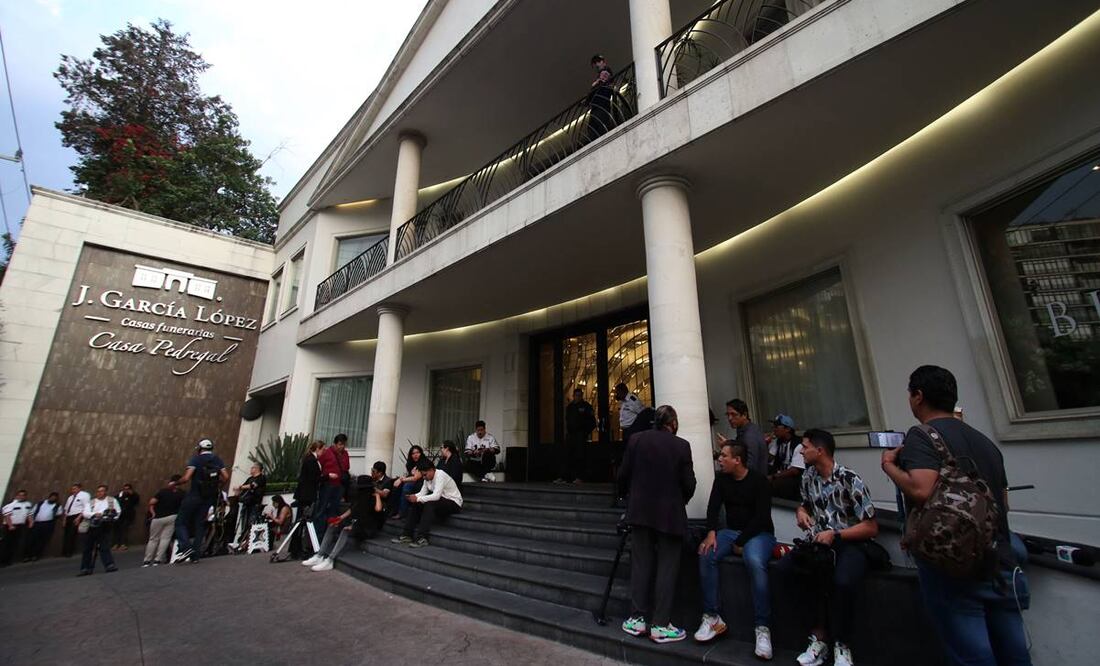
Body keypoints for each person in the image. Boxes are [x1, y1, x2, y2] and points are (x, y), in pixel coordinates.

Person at [882, 365, 1030, 666]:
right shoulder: (985, 442)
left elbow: (921, 488)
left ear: (918, 396)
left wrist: (889, 466)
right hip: (999, 558)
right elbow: (1003, 503)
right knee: (1014, 655)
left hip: (954, 563)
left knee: (971, 656)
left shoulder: (922, 436)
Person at [774, 428, 878, 666]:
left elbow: (871, 527)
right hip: (819, 544)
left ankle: (842, 643)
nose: (801, 451)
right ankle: (818, 637)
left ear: (820, 450)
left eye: (805, 447)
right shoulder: (808, 477)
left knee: (843, 581)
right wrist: (801, 512)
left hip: (849, 542)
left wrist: (837, 534)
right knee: (786, 571)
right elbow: (805, 504)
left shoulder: (849, 479)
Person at [618, 405, 696, 644]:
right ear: (673, 423)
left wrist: (627, 497)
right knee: (667, 567)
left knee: (641, 564)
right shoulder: (681, 446)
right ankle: (660, 624)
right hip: (669, 515)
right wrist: (679, 500)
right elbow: (689, 484)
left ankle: (637, 618)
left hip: (640, 513)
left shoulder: (636, 440)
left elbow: (623, 474)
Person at [695, 442, 777, 659]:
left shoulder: (759, 481)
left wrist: (741, 541)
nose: (719, 459)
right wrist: (711, 532)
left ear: (737, 460)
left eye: (724, 456)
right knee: (706, 553)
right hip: (731, 532)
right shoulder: (722, 480)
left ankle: (762, 627)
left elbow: (762, 517)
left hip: (759, 533)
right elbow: (713, 507)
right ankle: (712, 616)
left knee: (754, 560)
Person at [306, 474, 389, 571]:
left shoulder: (373, 498)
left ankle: (331, 560)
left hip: (368, 528)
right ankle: (319, 555)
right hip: (359, 523)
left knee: (345, 530)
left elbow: (378, 509)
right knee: (332, 525)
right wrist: (340, 518)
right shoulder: (359, 497)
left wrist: (377, 495)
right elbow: (351, 509)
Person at [173, 438, 229, 563]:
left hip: (194, 494)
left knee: (180, 522)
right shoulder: (217, 460)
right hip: (208, 497)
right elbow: (226, 476)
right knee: (200, 525)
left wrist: (175, 483)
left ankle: (186, 547)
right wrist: (217, 486)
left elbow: (186, 478)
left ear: (199, 448)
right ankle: (195, 556)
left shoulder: (196, 459)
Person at [393, 460, 463, 548]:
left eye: (425, 474)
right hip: (441, 501)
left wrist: (418, 498)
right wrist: (413, 496)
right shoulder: (427, 478)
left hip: (454, 503)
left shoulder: (440, 475)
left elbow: (436, 496)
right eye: (422, 475)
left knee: (429, 504)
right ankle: (407, 535)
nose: (424, 477)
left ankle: (422, 538)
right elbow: (422, 493)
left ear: (431, 470)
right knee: (417, 504)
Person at [717, 399, 768, 477]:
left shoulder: (750, 436)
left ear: (744, 415)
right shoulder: (747, 429)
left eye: (734, 414)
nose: (730, 418)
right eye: (728, 415)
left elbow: (749, 466)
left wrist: (728, 447)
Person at [78, 485, 120, 576]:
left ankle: (109, 565)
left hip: (104, 525)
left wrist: (109, 517)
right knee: (87, 548)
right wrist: (95, 514)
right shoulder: (91, 502)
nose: (100, 493)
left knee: (104, 546)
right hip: (92, 526)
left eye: (102, 491)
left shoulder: (112, 500)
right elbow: (85, 513)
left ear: (106, 492)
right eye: (98, 491)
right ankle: (85, 568)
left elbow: (117, 512)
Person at [143, 475, 183, 567]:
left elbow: (151, 502)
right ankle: (158, 559)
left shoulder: (163, 491)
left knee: (153, 539)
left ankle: (147, 560)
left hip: (158, 517)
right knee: (165, 539)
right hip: (172, 517)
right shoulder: (182, 493)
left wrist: (153, 513)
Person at [559, 388, 597, 484]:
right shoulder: (570, 407)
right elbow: (567, 420)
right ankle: (565, 477)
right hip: (571, 435)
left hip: (580, 435)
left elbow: (592, 422)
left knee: (580, 456)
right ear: (573, 396)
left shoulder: (586, 406)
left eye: (580, 396)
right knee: (567, 456)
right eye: (576, 395)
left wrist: (585, 433)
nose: (578, 397)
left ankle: (579, 477)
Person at [316, 435, 350, 533]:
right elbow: (319, 466)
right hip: (328, 484)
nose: (342, 447)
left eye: (343, 444)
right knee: (322, 508)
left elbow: (347, 467)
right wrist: (327, 475)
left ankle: (329, 532)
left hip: (339, 484)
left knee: (334, 509)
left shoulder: (345, 454)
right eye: (340, 444)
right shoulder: (327, 452)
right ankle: (318, 533)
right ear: (335, 444)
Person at [767, 414, 806, 501]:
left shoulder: (798, 444)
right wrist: (765, 444)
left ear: (787, 429)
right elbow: (768, 459)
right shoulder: (777, 442)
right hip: (780, 473)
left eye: (777, 426)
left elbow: (794, 471)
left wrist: (773, 476)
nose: (774, 429)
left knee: (777, 484)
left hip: (793, 478)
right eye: (773, 426)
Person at [233, 463, 267, 548]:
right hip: (246, 503)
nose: (251, 469)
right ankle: (242, 541)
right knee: (244, 523)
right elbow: (244, 487)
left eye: (253, 468)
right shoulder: (249, 478)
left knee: (251, 522)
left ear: (257, 468)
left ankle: (248, 542)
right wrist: (238, 492)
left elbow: (253, 486)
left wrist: (240, 487)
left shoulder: (261, 478)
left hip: (254, 504)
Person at [394, 444, 429, 519]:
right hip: (414, 481)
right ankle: (394, 511)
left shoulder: (424, 462)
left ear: (421, 453)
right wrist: (401, 479)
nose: (415, 455)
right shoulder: (411, 464)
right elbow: (410, 476)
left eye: (417, 452)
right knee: (397, 486)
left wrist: (401, 479)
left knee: (406, 487)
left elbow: (415, 478)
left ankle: (402, 513)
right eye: (413, 453)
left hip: (423, 483)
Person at [586, 54, 616, 142]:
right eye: (595, 63)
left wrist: (595, 84)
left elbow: (601, 82)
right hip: (598, 104)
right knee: (593, 126)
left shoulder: (606, 70)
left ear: (603, 62)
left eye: (598, 62)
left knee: (600, 124)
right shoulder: (602, 73)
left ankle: (604, 141)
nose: (596, 65)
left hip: (602, 103)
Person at [1, 489, 34, 566]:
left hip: (20, 526)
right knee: (6, 544)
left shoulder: (28, 504)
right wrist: (10, 525)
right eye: (20, 495)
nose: (21, 497)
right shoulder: (11, 504)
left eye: (23, 495)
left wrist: (31, 522)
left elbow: (29, 514)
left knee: (14, 544)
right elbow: (7, 516)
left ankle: (8, 560)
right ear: (16, 496)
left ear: (26, 496)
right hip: (9, 526)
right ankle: (2, 561)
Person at [27, 491, 62, 561]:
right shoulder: (41, 503)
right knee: (32, 539)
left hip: (47, 524)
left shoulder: (57, 506)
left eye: (55, 498)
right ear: (49, 497)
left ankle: (36, 555)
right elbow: (31, 512)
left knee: (42, 540)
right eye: (52, 497)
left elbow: (59, 514)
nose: (53, 499)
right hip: (36, 523)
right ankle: (27, 556)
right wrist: (31, 522)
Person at [293, 440, 324, 518]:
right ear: (317, 449)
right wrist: (327, 477)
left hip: (306, 493)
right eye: (323, 450)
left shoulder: (311, 459)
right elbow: (313, 477)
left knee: (303, 515)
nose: (323, 452)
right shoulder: (311, 460)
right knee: (303, 515)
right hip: (306, 493)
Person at [61, 483, 91, 557]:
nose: (73, 490)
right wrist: (64, 519)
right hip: (69, 516)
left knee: (72, 534)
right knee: (66, 534)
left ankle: (69, 552)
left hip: (77, 516)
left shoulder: (84, 495)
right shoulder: (70, 497)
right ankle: (64, 551)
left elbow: (85, 507)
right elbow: (66, 509)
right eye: (72, 489)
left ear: (79, 489)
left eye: (75, 489)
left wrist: (79, 518)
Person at [112, 483, 140, 550]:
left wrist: (132, 494)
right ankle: (116, 543)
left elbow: (136, 501)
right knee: (116, 530)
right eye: (125, 489)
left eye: (128, 489)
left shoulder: (133, 496)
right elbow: (115, 501)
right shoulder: (119, 496)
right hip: (119, 515)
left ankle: (123, 544)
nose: (126, 490)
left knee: (124, 529)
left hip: (127, 515)